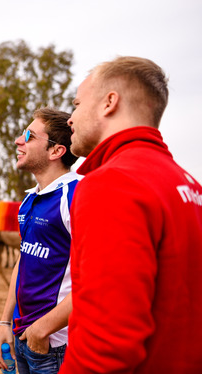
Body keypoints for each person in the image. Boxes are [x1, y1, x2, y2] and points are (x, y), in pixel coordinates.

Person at [60, 56, 202, 373]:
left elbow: (105, 346)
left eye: (77, 103)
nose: (70, 118)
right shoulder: (189, 184)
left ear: (109, 102)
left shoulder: (112, 184)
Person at [0, 107, 81, 373]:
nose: (19, 141)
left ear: (56, 151)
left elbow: (97, 277)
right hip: (23, 337)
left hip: (55, 344)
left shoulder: (76, 194)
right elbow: (24, 259)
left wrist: (43, 330)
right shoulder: (29, 200)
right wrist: (4, 323)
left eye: (29, 135)